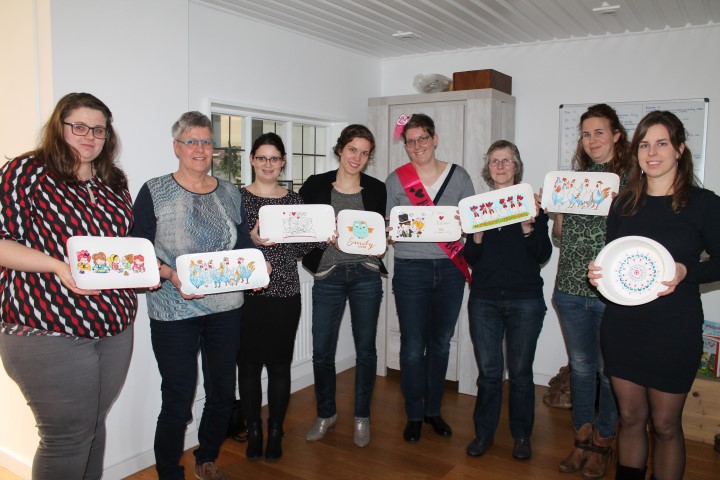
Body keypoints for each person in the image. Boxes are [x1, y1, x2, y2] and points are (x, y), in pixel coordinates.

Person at [0, 92, 138, 479]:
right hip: (47, 325)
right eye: (79, 126)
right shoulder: (26, 171)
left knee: (91, 427)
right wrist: (58, 267)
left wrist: (155, 270)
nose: (90, 136)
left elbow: (120, 249)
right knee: (66, 439)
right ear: (58, 127)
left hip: (113, 327)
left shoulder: (113, 181)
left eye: (99, 129)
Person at [589, 111, 720, 480]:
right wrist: (598, 273)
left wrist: (687, 271)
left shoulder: (704, 203)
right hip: (623, 327)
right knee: (630, 418)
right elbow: (614, 258)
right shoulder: (623, 204)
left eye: (662, 143)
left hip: (674, 329)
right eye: (644, 144)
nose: (652, 152)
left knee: (664, 426)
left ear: (679, 149)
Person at [131, 111, 256, 480]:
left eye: (206, 142)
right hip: (174, 309)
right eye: (192, 142)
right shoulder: (155, 191)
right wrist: (170, 274)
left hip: (226, 307)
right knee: (178, 396)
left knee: (222, 391)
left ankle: (207, 457)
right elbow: (139, 250)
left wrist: (255, 269)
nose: (200, 149)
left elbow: (242, 244)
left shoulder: (230, 191)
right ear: (177, 147)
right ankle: (169, 471)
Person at [553, 103, 632, 479]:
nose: (592, 139)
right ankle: (581, 441)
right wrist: (556, 213)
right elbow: (559, 237)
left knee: (607, 372)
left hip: (611, 293)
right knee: (582, 370)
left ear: (616, 135)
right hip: (569, 287)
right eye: (586, 134)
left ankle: (603, 444)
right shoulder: (574, 180)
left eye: (599, 132)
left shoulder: (633, 181)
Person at [386, 113, 475, 442]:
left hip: (451, 270)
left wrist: (465, 224)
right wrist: (389, 231)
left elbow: (471, 222)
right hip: (411, 268)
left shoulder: (459, 176)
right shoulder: (396, 180)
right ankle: (413, 413)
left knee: (440, 344)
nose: (417, 146)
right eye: (410, 141)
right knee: (412, 346)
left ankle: (433, 410)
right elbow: (388, 224)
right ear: (405, 145)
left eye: (423, 138)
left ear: (434, 139)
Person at [464, 140, 551, 460]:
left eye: (507, 160)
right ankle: (483, 433)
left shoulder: (532, 205)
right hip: (484, 300)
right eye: (494, 161)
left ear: (517, 166)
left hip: (525, 300)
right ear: (488, 168)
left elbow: (542, 255)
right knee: (489, 374)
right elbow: (471, 258)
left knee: (521, 374)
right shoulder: (477, 207)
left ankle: (522, 436)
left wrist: (528, 229)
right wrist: (475, 237)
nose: (500, 166)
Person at [300, 124, 386, 448]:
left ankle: (362, 416)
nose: (357, 158)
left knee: (366, 350)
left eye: (364, 153)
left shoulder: (376, 188)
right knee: (322, 351)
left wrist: (382, 240)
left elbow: (377, 236)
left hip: (365, 274)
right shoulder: (315, 184)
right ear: (340, 149)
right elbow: (301, 228)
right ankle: (326, 414)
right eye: (352, 150)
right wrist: (318, 237)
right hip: (328, 275)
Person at [237, 132, 316, 461]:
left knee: (280, 365)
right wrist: (251, 240)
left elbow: (301, 249)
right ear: (252, 160)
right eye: (262, 157)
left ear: (283, 162)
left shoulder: (295, 201)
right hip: (245, 295)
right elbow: (226, 244)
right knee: (248, 366)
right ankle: (254, 430)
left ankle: (276, 431)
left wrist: (321, 235)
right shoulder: (236, 198)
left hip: (285, 292)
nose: (268, 164)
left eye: (274, 158)